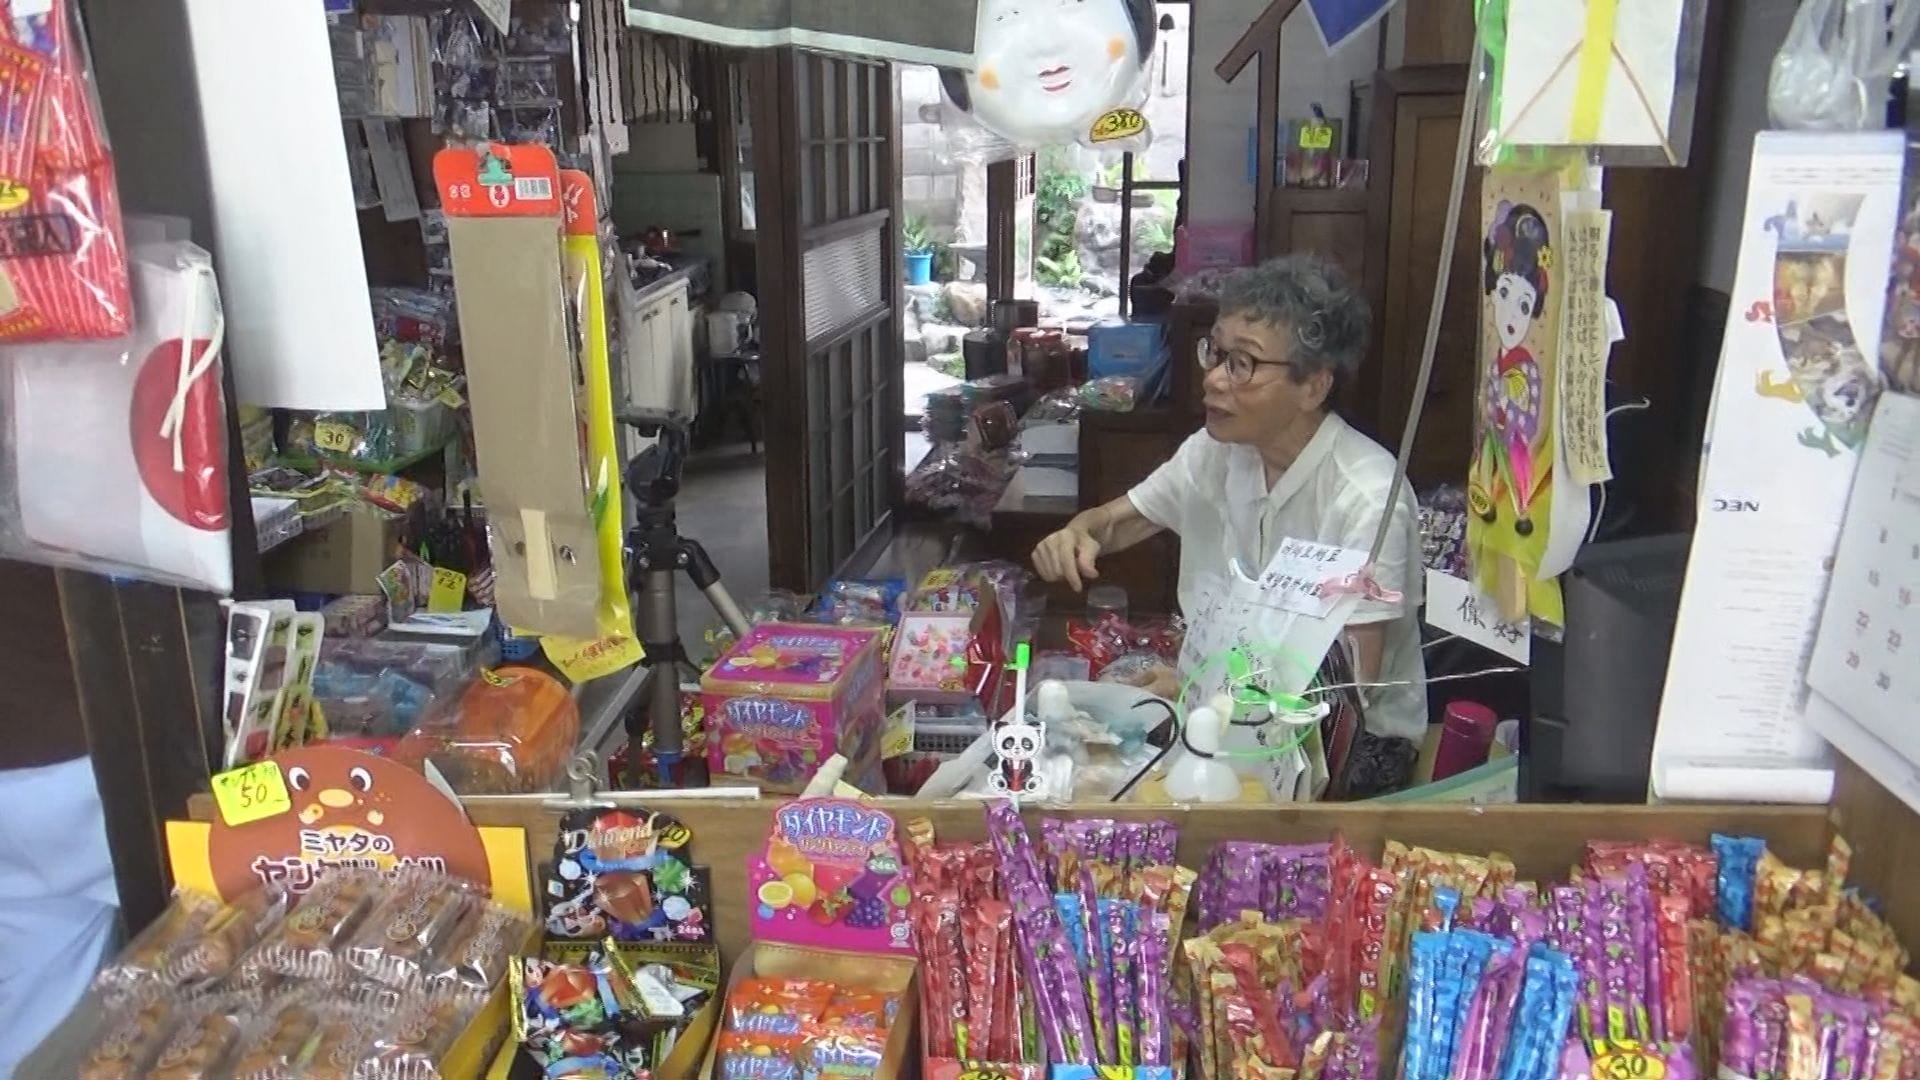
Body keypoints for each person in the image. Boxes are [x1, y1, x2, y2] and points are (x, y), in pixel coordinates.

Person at [1031, 254, 1426, 794]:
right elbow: (1117, 523)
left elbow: (1345, 687)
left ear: (1313, 387)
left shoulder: (1365, 496)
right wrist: (1078, 531)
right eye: (1215, 353)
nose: (1214, 379)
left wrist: (1207, 695)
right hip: (1230, 716)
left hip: (1342, 746)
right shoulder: (1215, 453)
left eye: (1244, 364)